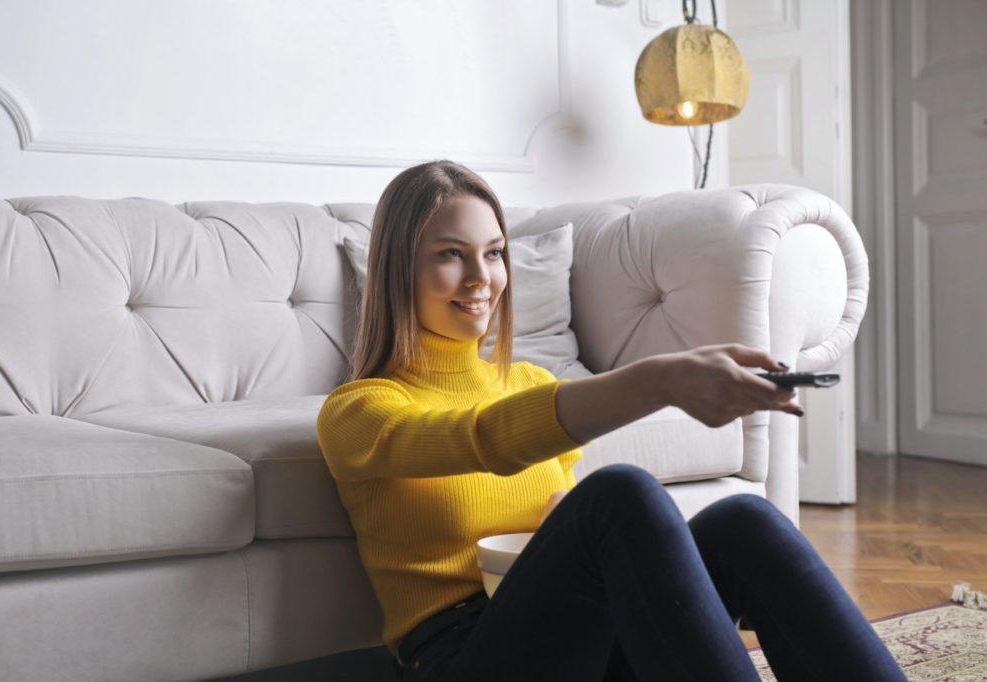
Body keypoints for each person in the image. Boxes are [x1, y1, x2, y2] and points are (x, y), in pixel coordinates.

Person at [316, 160, 905, 681]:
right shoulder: (359, 412)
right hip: (461, 656)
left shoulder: (531, 384)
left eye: (494, 252)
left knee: (744, 522)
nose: (482, 278)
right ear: (399, 268)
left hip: (579, 647)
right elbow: (486, 438)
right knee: (617, 495)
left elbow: (558, 540)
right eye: (450, 254)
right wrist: (663, 379)